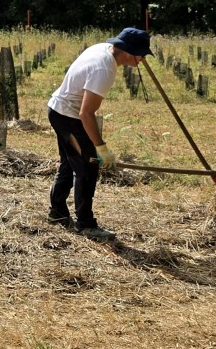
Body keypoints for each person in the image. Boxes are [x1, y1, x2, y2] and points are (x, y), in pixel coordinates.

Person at [46, 27, 153, 240]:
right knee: (87, 166)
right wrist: (101, 148)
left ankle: (57, 213)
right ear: (127, 51)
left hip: (58, 110)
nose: (143, 58)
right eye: (141, 54)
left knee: (70, 163)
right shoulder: (103, 69)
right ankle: (85, 224)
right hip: (69, 116)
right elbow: (86, 113)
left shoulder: (104, 49)